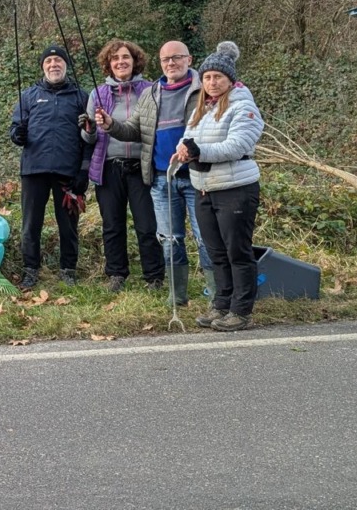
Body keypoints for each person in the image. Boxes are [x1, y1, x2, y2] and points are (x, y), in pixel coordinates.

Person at [95, 39, 214, 306]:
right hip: (162, 178)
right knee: (170, 239)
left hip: (196, 175)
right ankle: (177, 295)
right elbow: (132, 130)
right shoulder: (153, 93)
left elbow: (217, 127)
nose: (171, 63)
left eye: (176, 58)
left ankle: (216, 295)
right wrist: (111, 124)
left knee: (205, 238)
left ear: (189, 59)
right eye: (166, 60)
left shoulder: (204, 90)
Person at [175, 42, 264, 332]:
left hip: (235, 188)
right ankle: (221, 303)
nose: (212, 83)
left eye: (218, 77)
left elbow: (238, 145)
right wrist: (184, 150)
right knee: (216, 251)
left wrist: (198, 150)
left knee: (236, 251)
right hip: (204, 188)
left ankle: (241, 310)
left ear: (230, 80)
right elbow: (189, 136)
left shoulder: (243, 106)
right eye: (208, 77)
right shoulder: (202, 107)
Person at [80, 40, 165, 294]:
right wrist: (90, 130)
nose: (120, 62)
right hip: (108, 167)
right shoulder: (97, 94)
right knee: (112, 225)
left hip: (141, 167)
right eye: (115, 58)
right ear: (109, 64)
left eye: (125, 57)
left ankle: (154, 276)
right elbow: (89, 139)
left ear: (135, 60)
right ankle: (116, 274)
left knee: (147, 225)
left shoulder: (151, 90)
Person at [9, 45, 91, 288]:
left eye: (58, 61)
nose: (53, 64)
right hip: (34, 170)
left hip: (69, 171)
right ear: (43, 66)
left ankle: (68, 269)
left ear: (66, 65)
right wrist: (18, 135)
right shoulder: (29, 96)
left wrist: (84, 170)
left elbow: (90, 136)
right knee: (30, 224)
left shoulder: (81, 96)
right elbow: (14, 130)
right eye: (49, 61)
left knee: (68, 225)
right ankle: (30, 270)